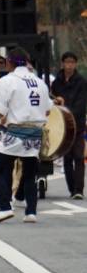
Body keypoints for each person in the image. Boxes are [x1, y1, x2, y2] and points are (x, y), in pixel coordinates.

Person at [0, 48, 51, 224]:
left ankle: (4, 207)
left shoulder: (7, 80)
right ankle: (31, 212)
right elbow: (47, 108)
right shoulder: (40, 82)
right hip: (35, 133)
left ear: (9, 62)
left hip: (16, 132)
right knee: (30, 173)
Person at [51, 51, 86, 199]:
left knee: (78, 156)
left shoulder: (81, 81)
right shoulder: (57, 82)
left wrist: (68, 112)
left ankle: (78, 190)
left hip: (77, 124)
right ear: (62, 63)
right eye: (67, 62)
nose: (69, 65)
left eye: (72, 62)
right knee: (67, 158)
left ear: (75, 64)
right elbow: (52, 100)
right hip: (62, 126)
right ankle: (72, 189)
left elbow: (82, 103)